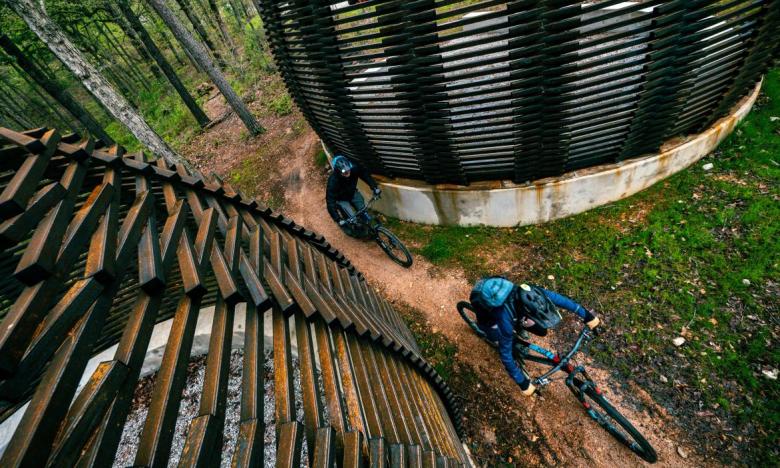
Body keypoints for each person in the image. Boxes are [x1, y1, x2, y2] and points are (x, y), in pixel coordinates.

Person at [469, 276, 601, 396]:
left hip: (511, 304)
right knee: (499, 336)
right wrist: (522, 383)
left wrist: (587, 316)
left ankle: (518, 325)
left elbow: (561, 300)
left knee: (541, 330)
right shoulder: (504, 320)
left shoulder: (533, 292)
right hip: (485, 310)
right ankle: (496, 335)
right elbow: (506, 356)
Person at [326, 155, 381, 237]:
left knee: (363, 209)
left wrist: (374, 187)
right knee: (352, 218)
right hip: (341, 199)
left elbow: (365, 175)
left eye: (348, 170)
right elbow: (330, 201)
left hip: (352, 192)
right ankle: (352, 230)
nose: (347, 173)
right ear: (338, 172)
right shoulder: (333, 181)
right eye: (344, 172)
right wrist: (337, 219)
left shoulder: (354, 168)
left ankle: (368, 226)